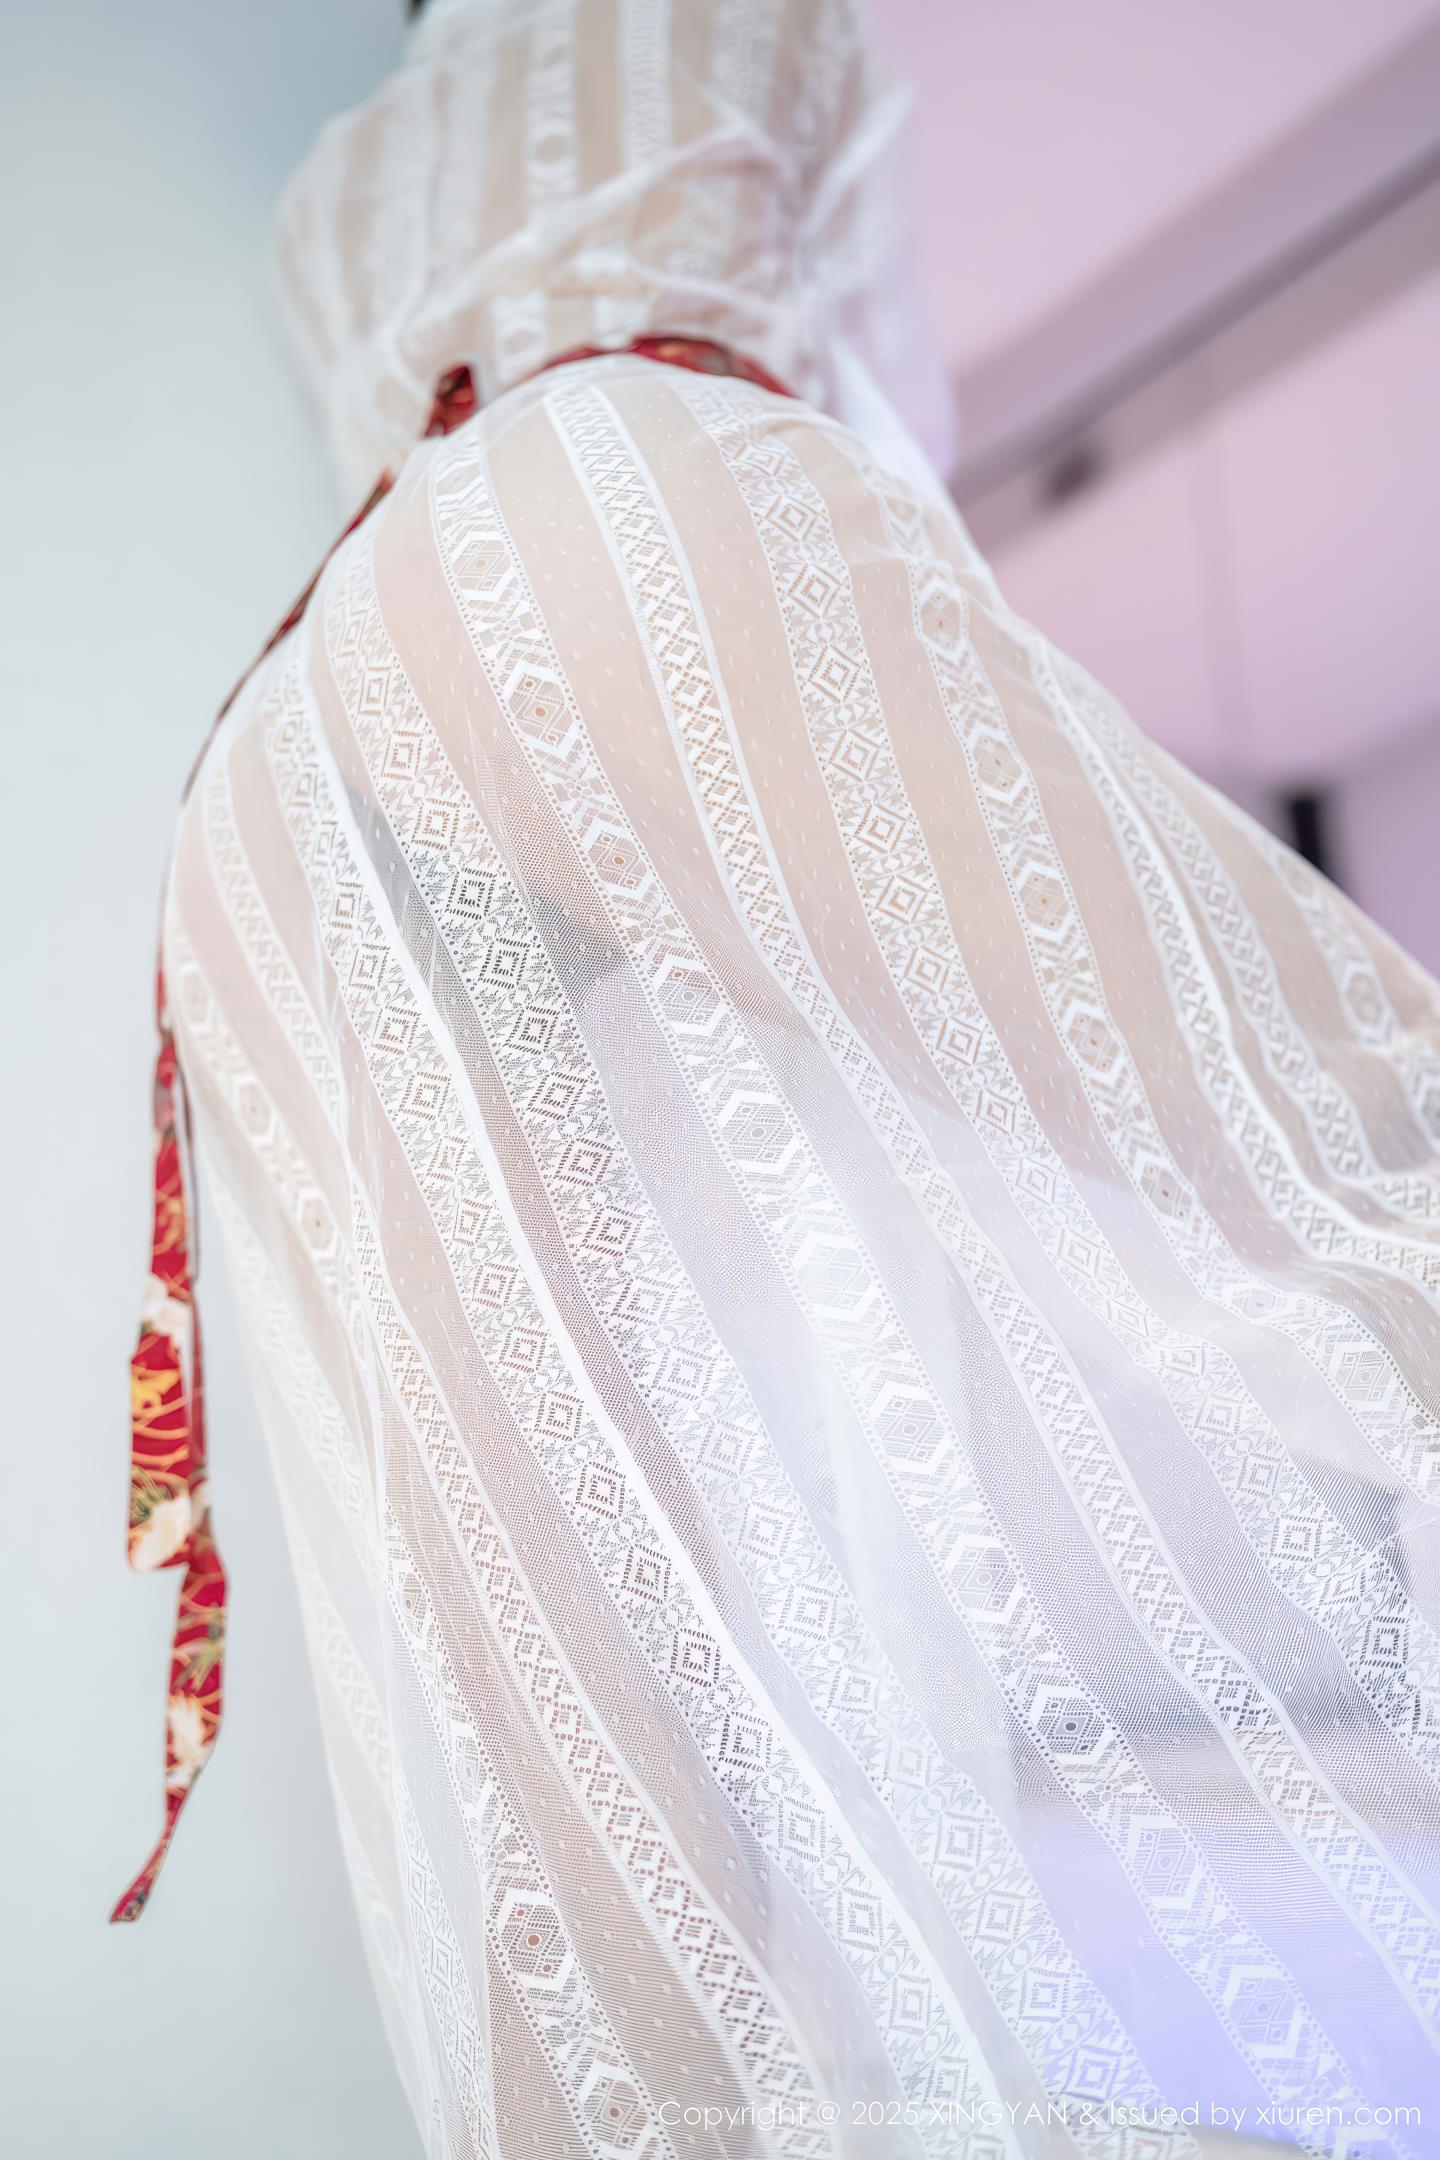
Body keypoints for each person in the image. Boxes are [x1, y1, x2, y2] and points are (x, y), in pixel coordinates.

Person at [118, 0, 1440, 2151]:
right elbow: (880, 403)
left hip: (294, 752)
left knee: (562, 1687)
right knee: (1332, 1125)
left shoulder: (321, 199)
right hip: (606, 518)